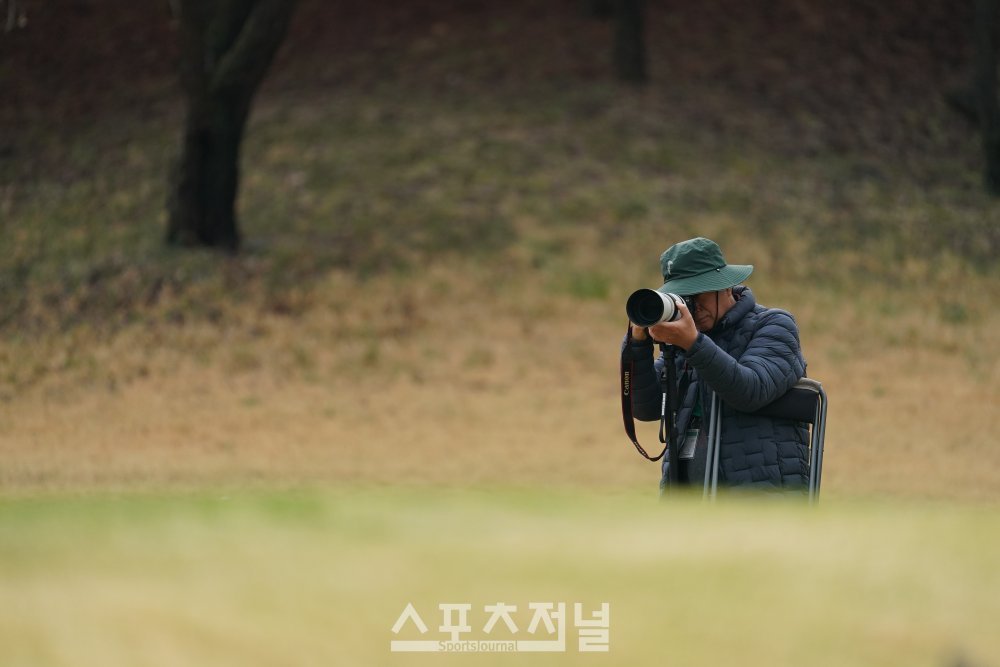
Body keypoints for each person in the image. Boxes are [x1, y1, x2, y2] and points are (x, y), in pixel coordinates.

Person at [624, 237, 809, 492]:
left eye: (698, 293)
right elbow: (647, 408)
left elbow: (750, 391)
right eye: (683, 297)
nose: (694, 307)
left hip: (759, 493)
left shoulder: (773, 325)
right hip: (687, 495)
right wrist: (638, 346)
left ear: (725, 286)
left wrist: (694, 343)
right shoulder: (683, 341)